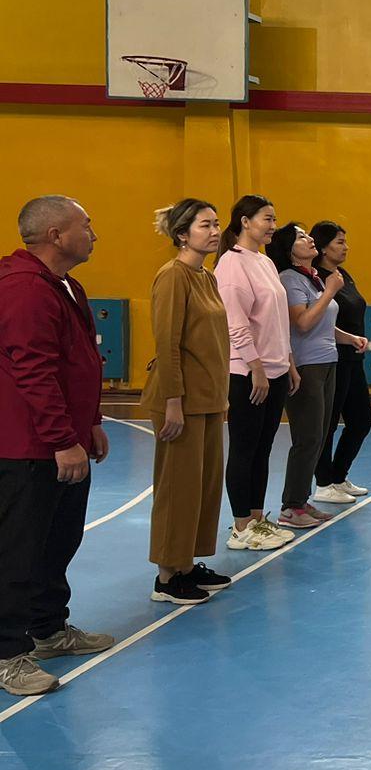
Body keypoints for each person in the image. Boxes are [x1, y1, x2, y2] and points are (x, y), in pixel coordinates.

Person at [0, 196, 113, 697]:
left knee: (57, 541)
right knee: (18, 551)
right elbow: (34, 370)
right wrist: (62, 439)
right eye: (85, 225)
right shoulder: (25, 289)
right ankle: (7, 653)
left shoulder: (65, 284)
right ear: (55, 235)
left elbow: (81, 360)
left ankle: (47, 629)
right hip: (30, 447)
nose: (94, 234)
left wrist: (90, 423)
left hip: (65, 439)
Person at [142, 200, 235, 606]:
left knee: (203, 487)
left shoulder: (206, 276)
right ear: (182, 234)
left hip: (208, 398)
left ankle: (185, 564)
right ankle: (167, 576)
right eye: (204, 225)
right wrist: (173, 401)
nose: (214, 231)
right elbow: (167, 343)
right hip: (180, 400)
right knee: (178, 488)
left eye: (216, 224)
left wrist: (219, 395)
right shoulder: (172, 276)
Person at [216, 195, 298, 551]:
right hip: (248, 373)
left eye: (274, 219)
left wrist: (288, 362)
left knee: (263, 448)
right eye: (267, 218)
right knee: (244, 448)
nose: (273, 226)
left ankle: (257, 519)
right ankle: (240, 526)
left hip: (275, 369)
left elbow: (277, 319)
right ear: (245, 222)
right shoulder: (231, 265)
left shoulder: (264, 262)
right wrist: (256, 368)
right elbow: (235, 324)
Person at [268, 223, 355, 529]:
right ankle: (291, 507)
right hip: (306, 366)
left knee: (319, 434)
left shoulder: (313, 278)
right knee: (307, 437)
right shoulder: (290, 279)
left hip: (328, 361)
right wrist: (330, 291)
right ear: (289, 250)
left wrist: (349, 338)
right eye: (301, 237)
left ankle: (301, 499)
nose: (309, 239)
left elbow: (322, 321)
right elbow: (303, 323)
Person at [311, 222, 371, 505]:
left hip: (353, 359)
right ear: (323, 248)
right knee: (328, 424)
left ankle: (338, 476)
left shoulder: (342, 275)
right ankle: (323, 483)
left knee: (361, 420)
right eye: (339, 242)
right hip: (331, 359)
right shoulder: (317, 278)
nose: (345, 247)